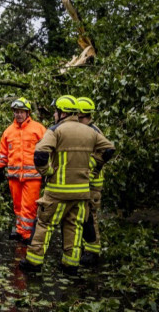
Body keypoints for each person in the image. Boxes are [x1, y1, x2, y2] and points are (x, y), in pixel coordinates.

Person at [19, 95, 115, 276]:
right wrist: (93, 165)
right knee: (74, 226)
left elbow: (40, 154)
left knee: (44, 224)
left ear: (63, 112)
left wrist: (47, 172)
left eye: (56, 111)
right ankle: (70, 265)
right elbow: (109, 149)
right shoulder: (90, 131)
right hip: (81, 192)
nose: (54, 114)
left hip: (57, 191)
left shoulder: (56, 130)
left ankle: (33, 262)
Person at [0, 97, 47, 243]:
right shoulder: (8, 132)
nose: (18, 114)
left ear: (27, 113)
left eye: (21, 112)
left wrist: (47, 170)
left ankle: (26, 235)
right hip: (14, 177)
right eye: (16, 112)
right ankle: (20, 230)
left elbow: (48, 149)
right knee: (18, 207)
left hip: (33, 177)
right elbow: (3, 153)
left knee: (29, 208)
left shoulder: (38, 129)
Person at [76, 97, 105, 266]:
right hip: (84, 180)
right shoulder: (85, 130)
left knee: (90, 217)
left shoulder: (93, 132)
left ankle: (93, 251)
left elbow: (104, 153)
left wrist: (90, 167)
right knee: (82, 216)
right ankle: (85, 247)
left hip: (92, 182)